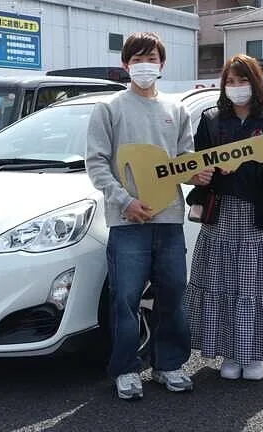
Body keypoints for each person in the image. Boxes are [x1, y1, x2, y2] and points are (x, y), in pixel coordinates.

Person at [185, 54, 263, 381]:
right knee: (222, 283)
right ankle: (229, 351)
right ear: (223, 85)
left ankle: (255, 355)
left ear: (256, 83)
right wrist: (208, 173)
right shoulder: (211, 119)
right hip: (222, 213)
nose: (237, 87)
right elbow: (198, 167)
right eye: (231, 81)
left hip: (260, 215)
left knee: (259, 285)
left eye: (243, 80)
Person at [85, 32, 194, 400]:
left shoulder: (176, 109)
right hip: (127, 221)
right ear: (125, 64)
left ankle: (169, 364)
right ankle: (126, 369)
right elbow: (96, 163)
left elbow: (184, 160)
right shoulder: (109, 108)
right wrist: (125, 201)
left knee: (173, 294)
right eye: (137, 59)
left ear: (162, 64)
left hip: (170, 219)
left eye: (151, 58)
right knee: (125, 299)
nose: (145, 65)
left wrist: (198, 173)